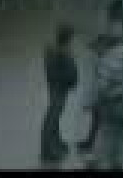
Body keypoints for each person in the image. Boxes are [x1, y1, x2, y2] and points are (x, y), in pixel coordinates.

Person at [83, 29, 123, 170]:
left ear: (109, 44)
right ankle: (118, 163)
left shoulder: (108, 59)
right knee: (122, 135)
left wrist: (90, 102)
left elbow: (101, 85)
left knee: (105, 133)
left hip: (111, 105)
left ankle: (94, 161)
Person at [40, 23, 79, 168]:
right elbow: (69, 73)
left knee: (54, 117)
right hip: (59, 89)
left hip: (56, 88)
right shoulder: (62, 53)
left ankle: (55, 144)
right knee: (52, 117)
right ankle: (48, 151)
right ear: (68, 38)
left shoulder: (54, 50)